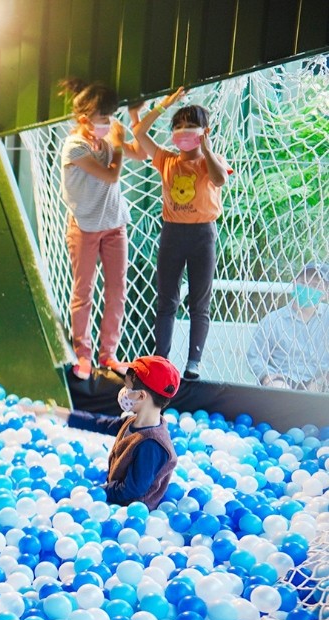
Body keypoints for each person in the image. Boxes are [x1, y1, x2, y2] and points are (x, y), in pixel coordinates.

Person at [132, 87, 231, 381]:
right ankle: (160, 360)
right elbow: (138, 133)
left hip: (203, 235)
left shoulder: (211, 160)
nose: (183, 131)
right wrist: (165, 104)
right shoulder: (166, 159)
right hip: (172, 234)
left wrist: (208, 148)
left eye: (190, 126)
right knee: (167, 301)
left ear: (204, 131)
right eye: (178, 126)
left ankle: (193, 364)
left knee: (199, 302)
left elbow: (219, 179)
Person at [59, 79, 147, 380]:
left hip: (114, 223)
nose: (109, 123)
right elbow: (111, 176)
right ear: (85, 120)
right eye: (103, 119)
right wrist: (119, 147)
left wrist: (134, 120)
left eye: (111, 117)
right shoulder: (75, 147)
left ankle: (108, 353)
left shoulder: (109, 132)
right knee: (83, 292)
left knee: (117, 290)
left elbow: (141, 153)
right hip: (85, 226)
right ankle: (83, 356)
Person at [29, 356, 181, 510]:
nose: (123, 392)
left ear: (141, 395)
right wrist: (55, 411)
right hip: (115, 495)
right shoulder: (133, 422)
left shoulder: (152, 445)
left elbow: (132, 491)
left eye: (127, 387)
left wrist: (97, 492)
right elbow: (98, 422)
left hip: (128, 512)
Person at [246, 263, 329, 392]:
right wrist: (267, 375)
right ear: (294, 283)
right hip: (284, 378)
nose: (307, 288)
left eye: (315, 286)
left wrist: (320, 380)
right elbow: (255, 355)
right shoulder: (273, 320)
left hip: (320, 379)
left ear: (325, 294)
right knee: (278, 389)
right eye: (303, 282)